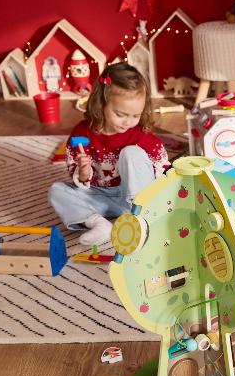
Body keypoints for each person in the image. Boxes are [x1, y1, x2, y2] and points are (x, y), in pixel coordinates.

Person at [49, 62, 168, 246]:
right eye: (120, 114)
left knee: (132, 153)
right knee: (57, 191)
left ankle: (140, 218)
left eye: (135, 115)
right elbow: (76, 171)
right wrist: (83, 173)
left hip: (135, 199)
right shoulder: (82, 134)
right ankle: (100, 224)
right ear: (102, 103)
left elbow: (163, 166)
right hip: (101, 196)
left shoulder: (140, 135)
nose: (128, 122)